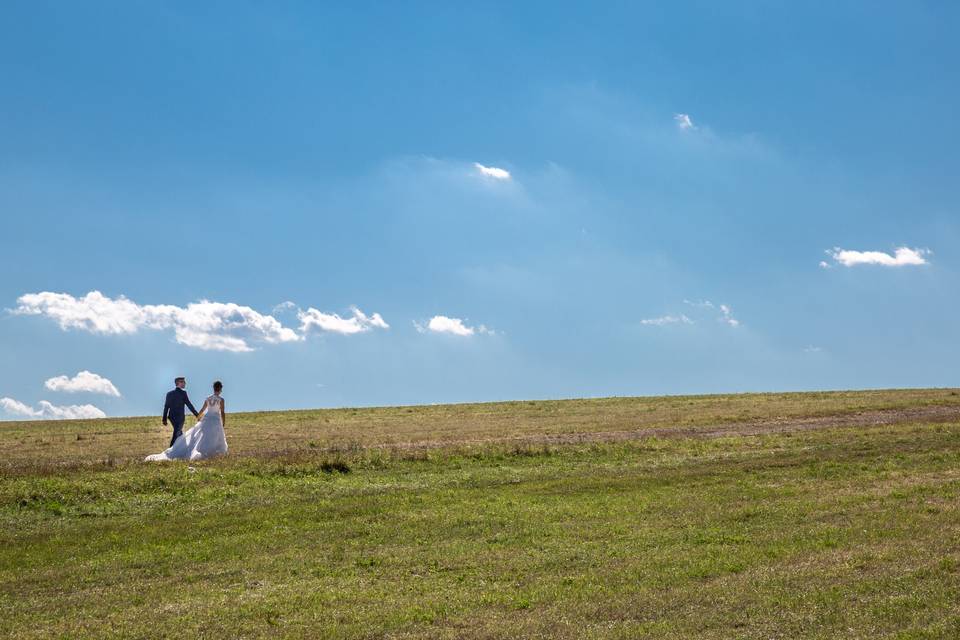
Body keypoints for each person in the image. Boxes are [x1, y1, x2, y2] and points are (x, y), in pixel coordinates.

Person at [146, 380, 228, 461]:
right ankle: (213, 451)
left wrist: (198, 417)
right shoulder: (221, 399)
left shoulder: (208, 398)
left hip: (202, 418)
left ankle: (188, 449)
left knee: (195, 435)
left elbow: (203, 409)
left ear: (213, 388)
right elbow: (222, 411)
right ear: (220, 389)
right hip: (212, 419)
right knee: (213, 436)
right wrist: (223, 421)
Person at [162, 377, 199, 447]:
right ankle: (170, 450)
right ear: (178, 383)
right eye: (183, 382)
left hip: (172, 417)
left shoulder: (169, 394)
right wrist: (197, 415)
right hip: (179, 418)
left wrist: (164, 419)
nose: (185, 383)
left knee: (179, 433)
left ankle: (182, 449)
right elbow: (189, 405)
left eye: (184, 382)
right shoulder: (183, 393)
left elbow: (166, 407)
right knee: (177, 432)